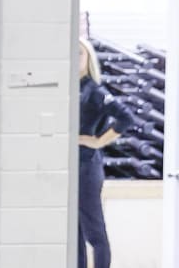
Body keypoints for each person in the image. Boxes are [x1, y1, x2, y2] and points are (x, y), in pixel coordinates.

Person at [77, 37, 135, 268]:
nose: (75, 58)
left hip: (87, 168)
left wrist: (99, 141)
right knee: (75, 233)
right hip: (73, 168)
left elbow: (126, 118)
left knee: (95, 233)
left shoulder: (94, 91)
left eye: (79, 53)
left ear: (89, 57)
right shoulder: (73, 89)